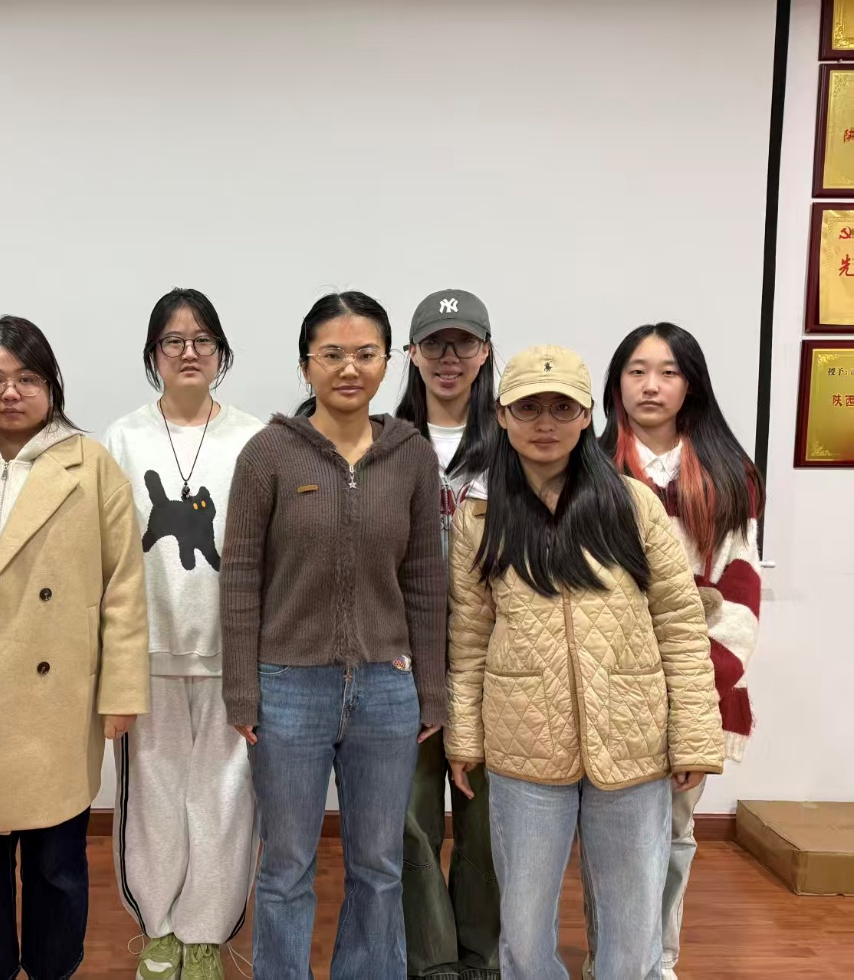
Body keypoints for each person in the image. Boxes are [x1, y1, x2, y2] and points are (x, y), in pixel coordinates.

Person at [443, 344, 723, 980]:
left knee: (632, 921)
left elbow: (680, 625)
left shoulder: (633, 504)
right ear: (502, 416)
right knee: (523, 926)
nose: (545, 423)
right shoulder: (479, 519)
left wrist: (694, 735)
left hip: (631, 738)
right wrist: (464, 736)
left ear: (587, 414)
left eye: (562, 408)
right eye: (528, 408)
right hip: (523, 742)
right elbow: (469, 637)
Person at [0, 315, 149, 980]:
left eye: (27, 378)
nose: (10, 393)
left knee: (58, 867)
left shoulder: (90, 466)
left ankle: (52, 970)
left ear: (51, 386)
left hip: (57, 702)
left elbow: (125, 588)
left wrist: (122, 692)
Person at [221, 291, 447, 980]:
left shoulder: (411, 456)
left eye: (365, 354)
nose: (349, 368)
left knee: (379, 864)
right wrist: (241, 691)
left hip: (387, 688)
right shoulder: (268, 454)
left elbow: (426, 580)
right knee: (286, 864)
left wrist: (431, 690)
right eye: (332, 354)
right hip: (289, 688)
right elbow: (240, 578)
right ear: (306, 365)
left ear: (388, 361)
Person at [588, 323, 765, 980]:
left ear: (691, 384)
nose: (651, 385)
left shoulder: (728, 475)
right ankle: (609, 960)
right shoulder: (590, 469)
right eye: (636, 371)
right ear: (617, 384)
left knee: (673, 832)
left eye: (667, 372)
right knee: (609, 837)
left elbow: (740, 586)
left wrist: (701, 687)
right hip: (610, 682)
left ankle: (658, 961)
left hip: (693, 680)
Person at [105, 288, 265, 980]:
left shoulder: (255, 439)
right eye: (174, 340)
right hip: (147, 654)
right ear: (154, 354)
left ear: (221, 353)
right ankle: (160, 930)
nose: (189, 351)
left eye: (203, 340)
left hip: (232, 654)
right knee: (154, 800)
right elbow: (106, 554)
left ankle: (206, 934)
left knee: (225, 801)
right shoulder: (122, 439)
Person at [395, 289, 501, 980]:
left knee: (485, 823)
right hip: (403, 657)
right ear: (412, 354)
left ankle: (481, 956)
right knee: (409, 820)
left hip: (492, 659)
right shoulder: (385, 438)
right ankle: (431, 961)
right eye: (434, 343)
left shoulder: (514, 438)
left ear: (486, 352)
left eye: (464, 343)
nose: (449, 357)